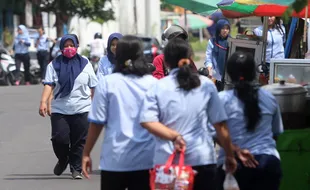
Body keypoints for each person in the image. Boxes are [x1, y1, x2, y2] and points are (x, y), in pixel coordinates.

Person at [139, 38, 237, 190]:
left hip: (169, 165)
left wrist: (175, 136)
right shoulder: (206, 85)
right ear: (190, 59)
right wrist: (230, 154)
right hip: (203, 159)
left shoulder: (158, 87)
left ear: (166, 62)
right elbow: (220, 125)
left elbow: (147, 121)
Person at [82, 35, 157, 190]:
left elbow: (96, 123)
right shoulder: (153, 84)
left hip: (114, 161)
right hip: (146, 160)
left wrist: (86, 153)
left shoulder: (107, 83)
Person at [216, 52, 283, 190]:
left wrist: (236, 150)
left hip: (233, 165)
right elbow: (275, 134)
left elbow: (215, 135)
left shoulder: (221, 99)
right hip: (268, 164)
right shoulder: (269, 98)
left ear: (229, 74)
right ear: (254, 73)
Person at [38, 34, 98, 180]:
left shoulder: (85, 63)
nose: (69, 48)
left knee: (79, 141)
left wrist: (97, 105)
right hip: (60, 109)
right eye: (66, 46)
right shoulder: (54, 65)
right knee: (60, 139)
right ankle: (63, 159)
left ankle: (76, 169)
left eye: (72, 45)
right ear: (61, 48)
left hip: (82, 108)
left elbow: (94, 86)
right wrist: (43, 102)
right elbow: (49, 84)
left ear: (77, 46)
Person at [205, 19, 231, 91]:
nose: (225, 30)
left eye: (227, 28)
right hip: (216, 77)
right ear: (218, 29)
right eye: (223, 28)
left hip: (229, 77)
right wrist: (209, 68)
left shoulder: (232, 41)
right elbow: (208, 57)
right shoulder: (212, 41)